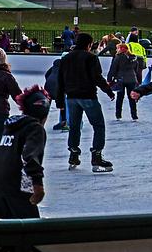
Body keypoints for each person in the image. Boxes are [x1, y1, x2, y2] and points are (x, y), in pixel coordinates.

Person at [0, 87, 50, 219]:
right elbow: (30, 156)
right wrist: (37, 185)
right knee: (30, 230)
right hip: (16, 185)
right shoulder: (35, 128)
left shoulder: (9, 127)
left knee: (7, 230)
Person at [57, 33, 115, 173]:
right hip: (88, 96)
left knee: (74, 127)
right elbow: (96, 77)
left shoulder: (66, 58)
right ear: (88, 44)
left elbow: (60, 80)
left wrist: (60, 101)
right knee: (98, 125)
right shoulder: (91, 57)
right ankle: (96, 156)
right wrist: (108, 91)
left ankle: (74, 154)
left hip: (71, 98)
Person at [107, 43, 142, 121]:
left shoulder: (118, 57)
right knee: (131, 97)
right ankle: (134, 115)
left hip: (121, 80)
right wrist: (137, 80)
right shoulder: (134, 57)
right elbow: (136, 70)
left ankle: (118, 115)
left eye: (118, 48)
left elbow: (113, 69)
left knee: (120, 97)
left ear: (121, 49)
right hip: (132, 79)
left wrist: (109, 80)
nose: (117, 50)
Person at [44, 56, 67, 131]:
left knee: (46, 106)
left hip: (48, 87)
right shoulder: (64, 67)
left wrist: (49, 80)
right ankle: (64, 122)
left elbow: (46, 74)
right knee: (62, 105)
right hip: (58, 88)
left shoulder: (55, 65)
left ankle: (41, 122)